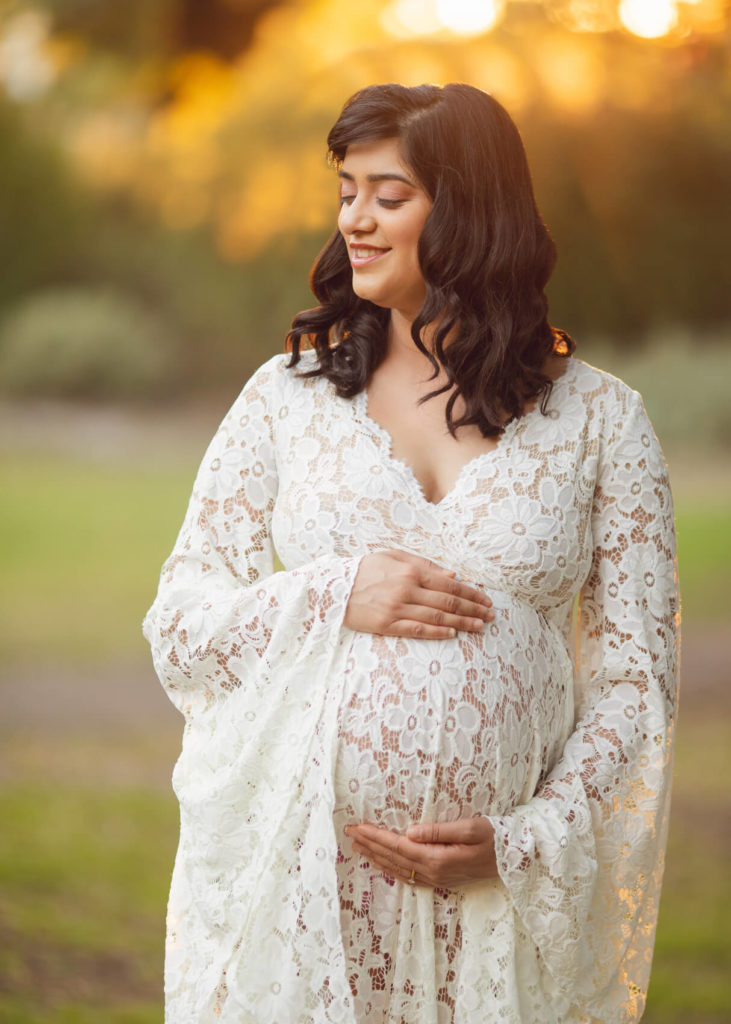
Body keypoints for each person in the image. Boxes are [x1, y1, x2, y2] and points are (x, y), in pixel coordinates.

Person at [143, 83, 679, 1024]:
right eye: (346, 190)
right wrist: (330, 592)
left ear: (471, 212)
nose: (355, 219)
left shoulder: (600, 421)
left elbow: (637, 677)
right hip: (306, 872)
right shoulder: (286, 398)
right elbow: (181, 622)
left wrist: (524, 841)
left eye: (388, 196)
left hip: (490, 897)